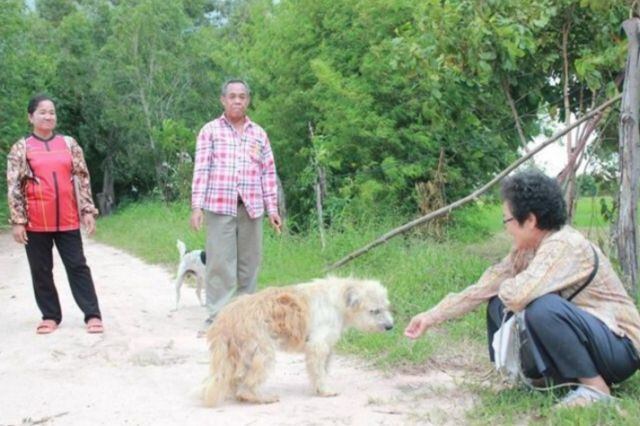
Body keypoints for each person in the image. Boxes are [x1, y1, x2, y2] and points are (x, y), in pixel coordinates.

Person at [404, 170, 640, 408]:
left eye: (507, 220)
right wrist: (430, 316)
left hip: (620, 348)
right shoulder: (527, 249)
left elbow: (517, 296)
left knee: (543, 307)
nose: (506, 228)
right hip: (591, 342)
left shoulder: (565, 245)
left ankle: (595, 389)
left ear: (530, 220)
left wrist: (506, 284)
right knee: (498, 304)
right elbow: (482, 288)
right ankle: (538, 380)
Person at [6, 94, 103, 334]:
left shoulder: (69, 144)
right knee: (41, 269)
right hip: (36, 222)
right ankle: (50, 315)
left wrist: (87, 210)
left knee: (78, 266)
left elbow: (82, 178)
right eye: (42, 112)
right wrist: (18, 221)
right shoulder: (22, 148)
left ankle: (92, 314)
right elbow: (14, 185)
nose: (48, 116)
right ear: (31, 117)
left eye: (51, 112)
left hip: (68, 220)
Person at [190, 79, 281, 334]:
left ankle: (246, 319)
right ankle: (218, 319)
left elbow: (268, 173)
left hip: (251, 207)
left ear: (248, 100)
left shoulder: (258, 134)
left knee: (249, 264)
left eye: (242, 96)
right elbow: (202, 169)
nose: (237, 101)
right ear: (223, 100)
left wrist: (272, 209)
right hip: (219, 206)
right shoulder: (210, 131)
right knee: (220, 264)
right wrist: (197, 207)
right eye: (232, 96)